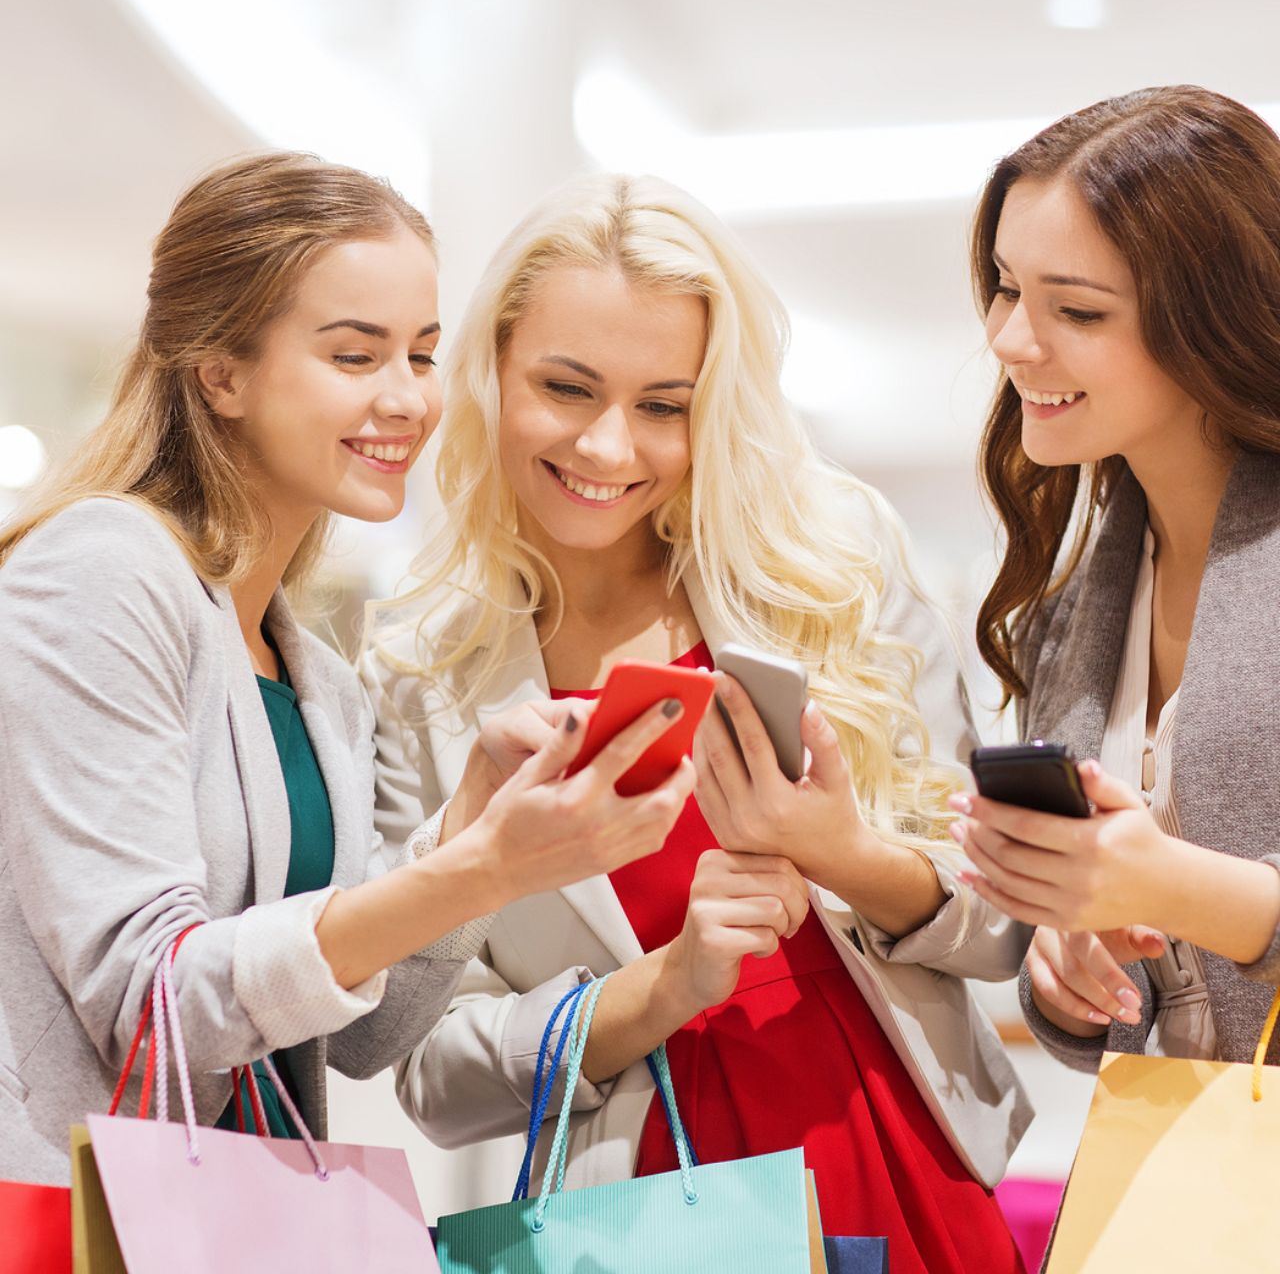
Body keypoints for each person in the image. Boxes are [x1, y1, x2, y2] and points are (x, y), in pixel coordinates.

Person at [364, 172, 1030, 1274]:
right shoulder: (418, 672)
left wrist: (840, 852)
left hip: (881, 1147)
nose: (608, 447)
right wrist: (660, 987)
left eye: (662, 404)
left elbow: (1003, 917)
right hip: (634, 1205)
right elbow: (427, 1070)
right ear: (490, 372)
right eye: (565, 388)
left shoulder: (829, 563)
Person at [0, 152, 693, 1186]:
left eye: (419, 354)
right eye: (354, 356)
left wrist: (465, 827)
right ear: (219, 370)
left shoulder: (319, 676)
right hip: (74, 1212)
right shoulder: (102, 569)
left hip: (230, 1217)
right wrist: (483, 868)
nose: (406, 398)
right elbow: (150, 999)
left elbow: (365, 1037)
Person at [954, 85, 1280, 1075]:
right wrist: (1065, 962)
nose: (1010, 338)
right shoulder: (1071, 613)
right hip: (1194, 1196)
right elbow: (1128, 979)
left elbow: (1189, 891)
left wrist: (1181, 888)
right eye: (1006, 287)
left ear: (1210, 321)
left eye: (1075, 308)